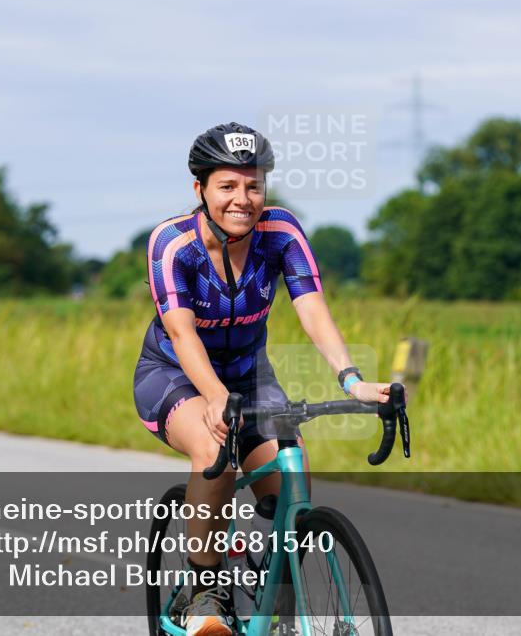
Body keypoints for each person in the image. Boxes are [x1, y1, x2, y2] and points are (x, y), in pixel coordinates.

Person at [134, 122, 390, 636]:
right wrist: (213, 396)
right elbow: (181, 333)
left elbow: (312, 309)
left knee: (293, 481)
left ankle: (279, 609)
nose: (243, 199)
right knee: (215, 451)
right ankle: (205, 589)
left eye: (253, 186)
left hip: (250, 376)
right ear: (200, 189)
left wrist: (352, 380)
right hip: (174, 375)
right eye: (227, 186)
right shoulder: (173, 244)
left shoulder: (281, 233)